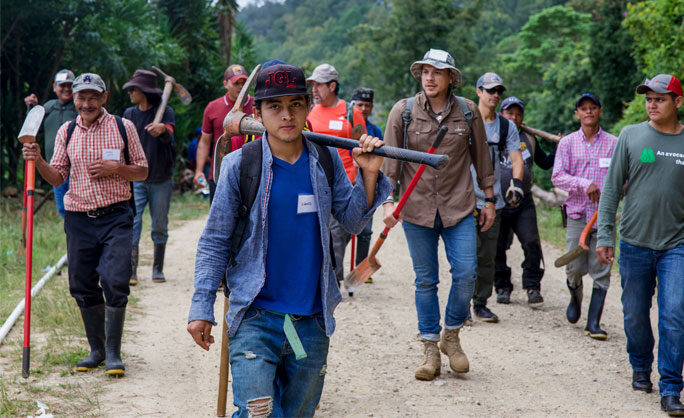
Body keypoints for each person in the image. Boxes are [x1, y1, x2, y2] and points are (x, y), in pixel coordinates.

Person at [186, 63, 392, 416]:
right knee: (258, 411)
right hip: (255, 315)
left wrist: (368, 173)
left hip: (310, 320)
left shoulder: (324, 160)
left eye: (295, 104)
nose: (286, 115)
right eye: (275, 106)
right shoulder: (240, 165)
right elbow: (215, 241)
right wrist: (201, 307)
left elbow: (354, 221)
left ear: (308, 106)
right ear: (257, 112)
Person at [22, 73, 148, 376]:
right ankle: (97, 350)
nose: (86, 103)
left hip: (116, 215)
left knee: (115, 279)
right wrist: (38, 159)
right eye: (81, 97)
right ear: (74, 99)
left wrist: (117, 167)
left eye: (93, 97)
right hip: (79, 218)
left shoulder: (123, 127)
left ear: (104, 98)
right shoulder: (67, 131)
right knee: (80, 283)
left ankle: (114, 354)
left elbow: (142, 172)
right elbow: (57, 177)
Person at [382, 49, 496, 381]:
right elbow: (390, 163)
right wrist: (388, 202)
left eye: (438, 72)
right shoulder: (402, 112)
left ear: (450, 78)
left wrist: (488, 199)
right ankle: (430, 347)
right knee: (425, 280)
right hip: (416, 209)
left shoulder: (468, 112)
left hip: (459, 206)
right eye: (425, 72)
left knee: (465, 273)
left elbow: (482, 160)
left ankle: (452, 335)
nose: (430, 78)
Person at [596, 74, 684, 415]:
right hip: (634, 243)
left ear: (677, 102)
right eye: (648, 97)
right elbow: (610, 190)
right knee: (634, 315)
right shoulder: (631, 136)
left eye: (660, 98)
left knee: (674, 314)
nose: (652, 103)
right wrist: (605, 235)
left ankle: (671, 387)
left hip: (676, 244)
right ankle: (639, 365)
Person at [551, 92, 617, 340]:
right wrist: (583, 184)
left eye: (593, 108)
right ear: (577, 114)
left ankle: (593, 324)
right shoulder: (567, 143)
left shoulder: (614, 143)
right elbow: (557, 176)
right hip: (578, 214)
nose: (588, 112)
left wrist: (615, 190)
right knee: (574, 267)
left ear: (600, 111)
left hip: (604, 216)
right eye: (583, 108)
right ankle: (575, 297)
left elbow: (624, 177)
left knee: (601, 267)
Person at [470, 72, 524, 323]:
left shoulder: (506, 126)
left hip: (494, 202)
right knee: (465, 256)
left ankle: (480, 303)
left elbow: (516, 159)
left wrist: (516, 184)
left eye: (497, 91)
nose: (495, 95)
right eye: (489, 90)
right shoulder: (466, 120)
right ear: (478, 91)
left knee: (488, 256)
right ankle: (459, 307)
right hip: (464, 200)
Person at [306, 64, 367, 287]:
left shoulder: (351, 112)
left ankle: (332, 279)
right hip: (312, 179)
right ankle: (319, 275)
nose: (314, 89)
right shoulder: (310, 110)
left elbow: (362, 148)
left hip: (344, 182)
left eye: (318, 84)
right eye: (312, 84)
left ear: (332, 86)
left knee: (336, 234)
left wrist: (362, 184)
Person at [494, 96, 555, 306]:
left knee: (531, 242)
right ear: (501, 114)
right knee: (497, 246)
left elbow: (545, 163)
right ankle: (502, 287)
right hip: (497, 201)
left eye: (518, 114)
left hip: (523, 202)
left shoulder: (528, 139)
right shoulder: (493, 135)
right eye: (510, 113)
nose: (514, 117)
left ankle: (532, 287)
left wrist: (559, 145)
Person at [122, 69, 176, 285]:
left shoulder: (166, 112)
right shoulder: (129, 114)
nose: (130, 93)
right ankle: (131, 272)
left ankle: (157, 269)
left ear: (144, 91)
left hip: (161, 178)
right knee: (132, 224)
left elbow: (170, 134)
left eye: (133, 89)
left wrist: (162, 129)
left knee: (159, 225)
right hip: (136, 179)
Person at [193, 64, 253, 201]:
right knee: (221, 220)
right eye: (236, 83)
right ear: (225, 84)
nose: (241, 86)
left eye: (244, 82)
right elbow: (204, 142)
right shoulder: (213, 107)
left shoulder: (258, 106)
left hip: (251, 174)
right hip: (220, 173)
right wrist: (199, 170)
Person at [24, 69, 78, 218]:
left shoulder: (80, 108)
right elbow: (32, 129)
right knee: (62, 207)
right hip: (54, 167)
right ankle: (71, 235)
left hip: (77, 168)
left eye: (70, 85)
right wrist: (32, 108)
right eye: (63, 85)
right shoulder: (48, 107)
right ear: (55, 87)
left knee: (79, 206)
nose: (67, 89)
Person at [352, 87, 383, 281]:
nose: (363, 109)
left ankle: (360, 270)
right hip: (347, 181)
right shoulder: (346, 125)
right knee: (341, 233)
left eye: (367, 105)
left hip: (367, 184)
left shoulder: (375, 130)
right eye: (359, 105)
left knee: (365, 230)